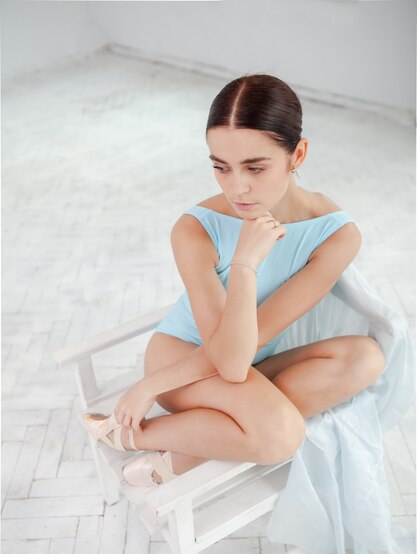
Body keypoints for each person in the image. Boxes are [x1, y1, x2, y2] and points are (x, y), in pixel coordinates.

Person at [83, 73, 385, 487]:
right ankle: (128, 434)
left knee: (366, 357)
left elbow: (247, 348)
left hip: (248, 357)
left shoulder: (336, 235)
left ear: (297, 154)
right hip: (184, 362)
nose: (237, 188)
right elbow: (225, 357)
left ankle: (188, 451)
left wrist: (147, 387)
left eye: (255, 167)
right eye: (221, 168)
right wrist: (244, 263)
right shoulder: (195, 228)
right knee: (280, 435)